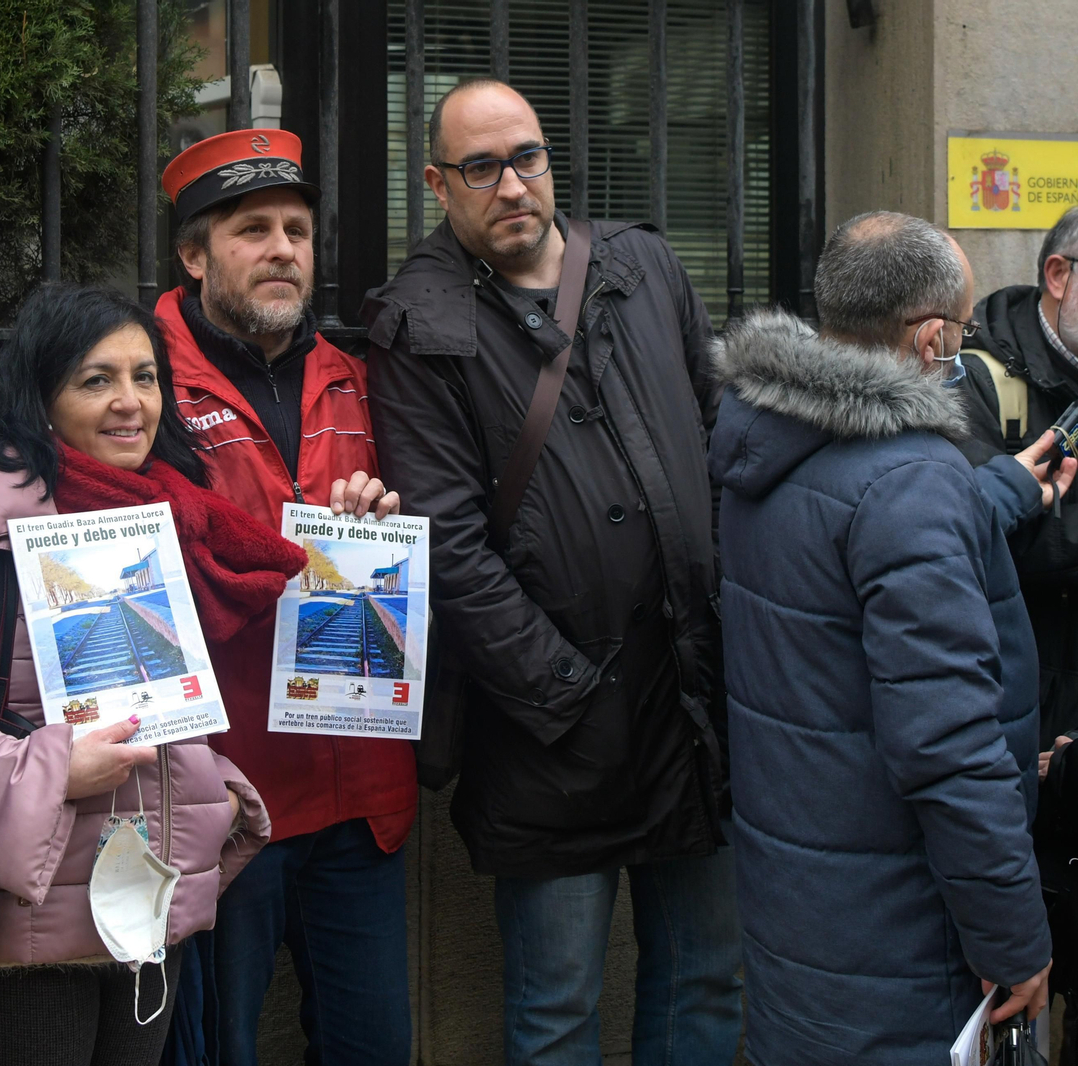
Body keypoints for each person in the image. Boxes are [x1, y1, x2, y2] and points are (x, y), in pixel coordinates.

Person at [362, 78, 736, 1064]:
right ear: (439, 184)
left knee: (702, 983)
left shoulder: (643, 265)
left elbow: (715, 436)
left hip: (692, 703)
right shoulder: (416, 323)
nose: (512, 185)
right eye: (480, 168)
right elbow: (444, 541)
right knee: (555, 1011)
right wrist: (562, 690)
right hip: (549, 734)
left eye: (525, 157)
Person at [711, 210, 1068, 1065]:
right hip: (903, 941)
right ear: (930, 338)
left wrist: (1005, 495)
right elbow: (947, 748)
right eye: (965, 330)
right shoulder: (910, 482)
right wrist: (1016, 939)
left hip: (803, 915)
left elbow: (848, 551)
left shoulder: (769, 437)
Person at [0, 282, 295, 1066]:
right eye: (97, 380)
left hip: (145, 908)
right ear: (40, 396)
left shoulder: (174, 522)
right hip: (27, 937)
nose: (130, 403)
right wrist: (58, 769)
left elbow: (185, 699)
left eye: (145, 376)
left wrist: (212, 785)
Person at [154, 128, 418, 1066]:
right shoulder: (144, 384)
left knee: (374, 1048)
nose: (283, 250)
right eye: (252, 230)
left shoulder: (357, 379)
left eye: (298, 231)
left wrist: (373, 529)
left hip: (360, 794)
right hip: (230, 798)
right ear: (193, 255)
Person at [952, 204, 1078, 1061]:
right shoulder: (973, 381)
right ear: (1059, 277)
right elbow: (990, 548)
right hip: (1010, 753)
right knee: (1006, 1008)